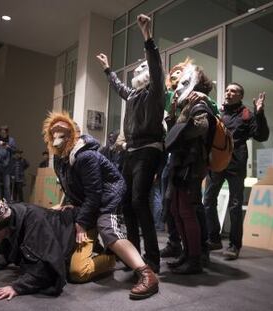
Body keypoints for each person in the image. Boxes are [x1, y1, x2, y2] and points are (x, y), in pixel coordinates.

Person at [43, 111, 159, 300]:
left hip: (107, 199)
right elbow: (71, 187)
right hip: (88, 204)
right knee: (74, 262)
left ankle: (146, 274)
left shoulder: (86, 156)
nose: (58, 139)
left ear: (74, 135)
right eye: (54, 134)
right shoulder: (60, 159)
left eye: (63, 134)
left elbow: (95, 193)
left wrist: (81, 222)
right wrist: (66, 205)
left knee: (108, 230)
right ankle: (101, 250)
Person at [96, 14, 165, 272]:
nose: (138, 71)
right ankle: (134, 255)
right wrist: (107, 69)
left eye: (142, 69)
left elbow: (156, 67)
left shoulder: (156, 92)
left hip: (149, 149)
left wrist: (147, 36)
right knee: (126, 202)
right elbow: (118, 87)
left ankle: (153, 259)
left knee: (138, 201)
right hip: (132, 151)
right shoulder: (133, 94)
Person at [204, 83, 269, 259]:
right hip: (217, 161)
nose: (229, 93)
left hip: (237, 162)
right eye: (227, 90)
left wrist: (260, 113)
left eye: (233, 91)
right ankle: (214, 238)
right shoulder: (219, 113)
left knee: (235, 205)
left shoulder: (247, 114)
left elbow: (261, 136)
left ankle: (234, 245)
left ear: (240, 96)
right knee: (208, 200)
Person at [163, 65, 216, 274]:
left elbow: (201, 127)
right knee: (176, 210)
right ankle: (187, 254)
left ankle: (194, 259)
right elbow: (173, 131)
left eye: (186, 79)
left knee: (186, 210)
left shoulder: (199, 100)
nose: (179, 83)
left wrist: (180, 133)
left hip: (191, 164)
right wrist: (173, 114)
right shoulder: (184, 103)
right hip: (179, 162)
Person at [0, 200, 75, 300]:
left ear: (7, 228)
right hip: (53, 220)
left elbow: (45, 264)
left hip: (69, 228)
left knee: (78, 273)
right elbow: (6, 241)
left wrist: (17, 287)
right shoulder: (11, 217)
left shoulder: (34, 222)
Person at [0, 125, 16, 202]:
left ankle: (7, 201)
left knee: (7, 185)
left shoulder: (11, 140)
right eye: (1, 132)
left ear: (7, 132)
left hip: (7, 165)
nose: (3, 133)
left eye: (4, 132)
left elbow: (14, 150)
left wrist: (8, 147)